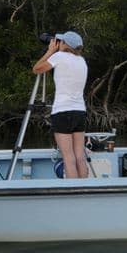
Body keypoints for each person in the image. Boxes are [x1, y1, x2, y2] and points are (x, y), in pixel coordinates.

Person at [32, 31, 88, 179]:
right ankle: (84, 191)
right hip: (80, 112)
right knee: (79, 156)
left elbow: (36, 69)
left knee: (68, 158)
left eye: (60, 41)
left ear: (65, 44)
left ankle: (73, 195)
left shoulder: (59, 56)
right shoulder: (82, 61)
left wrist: (50, 51)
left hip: (63, 111)